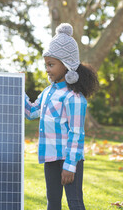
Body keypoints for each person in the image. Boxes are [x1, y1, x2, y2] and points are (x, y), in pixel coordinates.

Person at [25, 23, 99, 210]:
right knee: (53, 203)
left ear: (67, 65)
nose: (47, 69)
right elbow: (31, 112)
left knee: (74, 203)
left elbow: (76, 134)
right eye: (46, 65)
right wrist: (18, 89)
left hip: (69, 159)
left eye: (51, 65)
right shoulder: (48, 92)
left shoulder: (74, 98)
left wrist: (70, 165)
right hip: (50, 157)